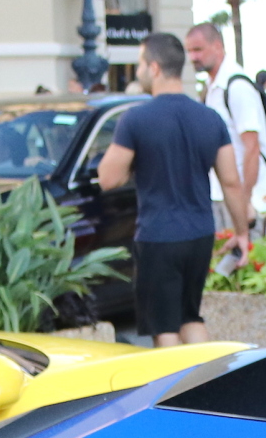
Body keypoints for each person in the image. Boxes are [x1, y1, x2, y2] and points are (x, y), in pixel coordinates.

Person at [98, 30, 248, 348]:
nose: (138, 71)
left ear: (153, 68)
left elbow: (107, 178)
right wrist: (242, 233)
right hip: (200, 233)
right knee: (190, 317)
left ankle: (171, 395)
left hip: (158, 235)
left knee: (164, 326)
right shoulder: (210, 118)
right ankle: (206, 387)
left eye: (140, 64)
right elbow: (231, 181)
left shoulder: (135, 119)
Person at [185, 22, 266, 233]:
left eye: (198, 49)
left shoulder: (236, 86)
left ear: (217, 47)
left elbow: (252, 147)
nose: (193, 57)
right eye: (189, 51)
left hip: (243, 197)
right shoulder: (213, 86)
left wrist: (244, 199)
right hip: (223, 195)